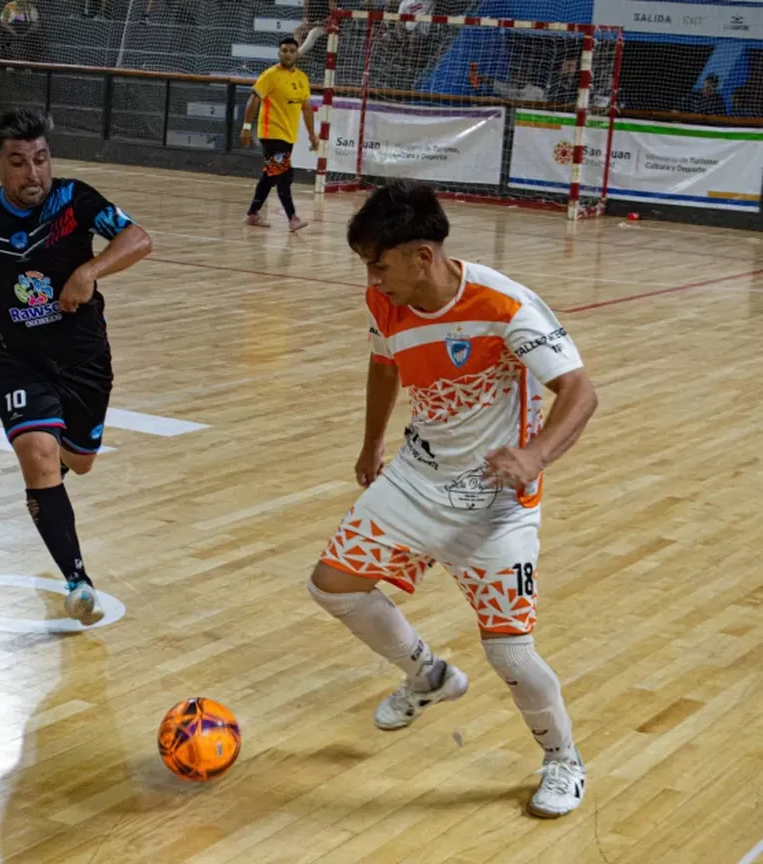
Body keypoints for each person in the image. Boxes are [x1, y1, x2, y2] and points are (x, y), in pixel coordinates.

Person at [308, 181, 598, 818]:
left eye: (378, 263)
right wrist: (371, 443)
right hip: (417, 476)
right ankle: (428, 676)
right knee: (333, 584)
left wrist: (535, 456)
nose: (371, 277)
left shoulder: (506, 306)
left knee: (511, 653)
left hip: (494, 498)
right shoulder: (387, 301)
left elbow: (579, 392)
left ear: (422, 256)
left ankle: (562, 759)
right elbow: (385, 365)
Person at [0, 108, 153, 623]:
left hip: (84, 359)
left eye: (40, 159)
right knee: (37, 454)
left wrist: (89, 270)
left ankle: (52, 492)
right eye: (18, 162)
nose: (33, 173)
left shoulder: (74, 200)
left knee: (78, 461)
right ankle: (78, 581)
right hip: (18, 359)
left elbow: (138, 238)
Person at [240, 36, 319, 232]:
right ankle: (293, 218)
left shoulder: (302, 78)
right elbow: (254, 100)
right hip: (272, 134)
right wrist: (246, 127)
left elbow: (306, 108)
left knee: (271, 175)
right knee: (283, 175)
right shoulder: (270, 75)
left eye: (291, 51)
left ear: (296, 54)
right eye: (284, 50)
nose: (288, 54)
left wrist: (312, 134)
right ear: (279, 53)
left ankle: (252, 213)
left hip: (289, 135)